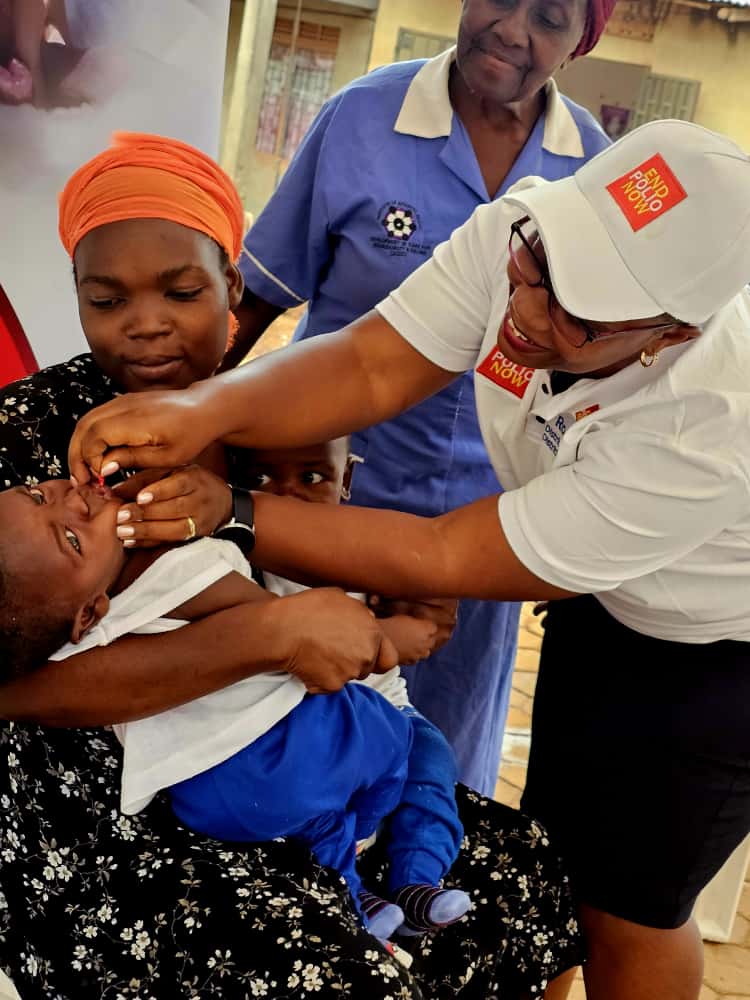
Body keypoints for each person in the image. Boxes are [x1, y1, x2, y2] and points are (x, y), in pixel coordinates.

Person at [75, 120, 750, 1000]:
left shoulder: (709, 426)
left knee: (632, 903)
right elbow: (370, 363)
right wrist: (206, 409)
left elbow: (443, 551)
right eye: (533, 267)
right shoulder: (529, 229)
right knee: (557, 860)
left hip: (716, 650)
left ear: (670, 334)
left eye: (575, 316)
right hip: (611, 596)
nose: (526, 311)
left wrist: (233, 511)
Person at [0, 132, 584, 998]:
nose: (146, 322)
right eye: (106, 299)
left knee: (531, 870)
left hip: (312, 742)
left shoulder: (278, 412)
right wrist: (270, 636)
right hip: (114, 817)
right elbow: (17, 685)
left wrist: (397, 602)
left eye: (182, 291)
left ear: (233, 290)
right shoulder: (35, 437)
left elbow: (350, 562)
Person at [225, 0, 617, 796]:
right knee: (304, 738)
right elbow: (255, 298)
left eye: (549, 17)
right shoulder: (362, 118)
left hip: (488, 531)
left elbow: (610, 369)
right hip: (327, 506)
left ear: (582, 41)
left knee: (440, 764)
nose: (512, 29)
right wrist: (187, 416)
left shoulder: (594, 172)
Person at [0, 475, 470, 943]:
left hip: (204, 795)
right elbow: (308, 631)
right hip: (288, 752)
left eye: (38, 494)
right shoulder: (175, 568)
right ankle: (407, 870)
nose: (72, 501)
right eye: (71, 539)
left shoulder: (62, 637)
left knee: (321, 825)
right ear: (89, 612)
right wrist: (389, 637)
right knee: (408, 746)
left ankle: (360, 899)